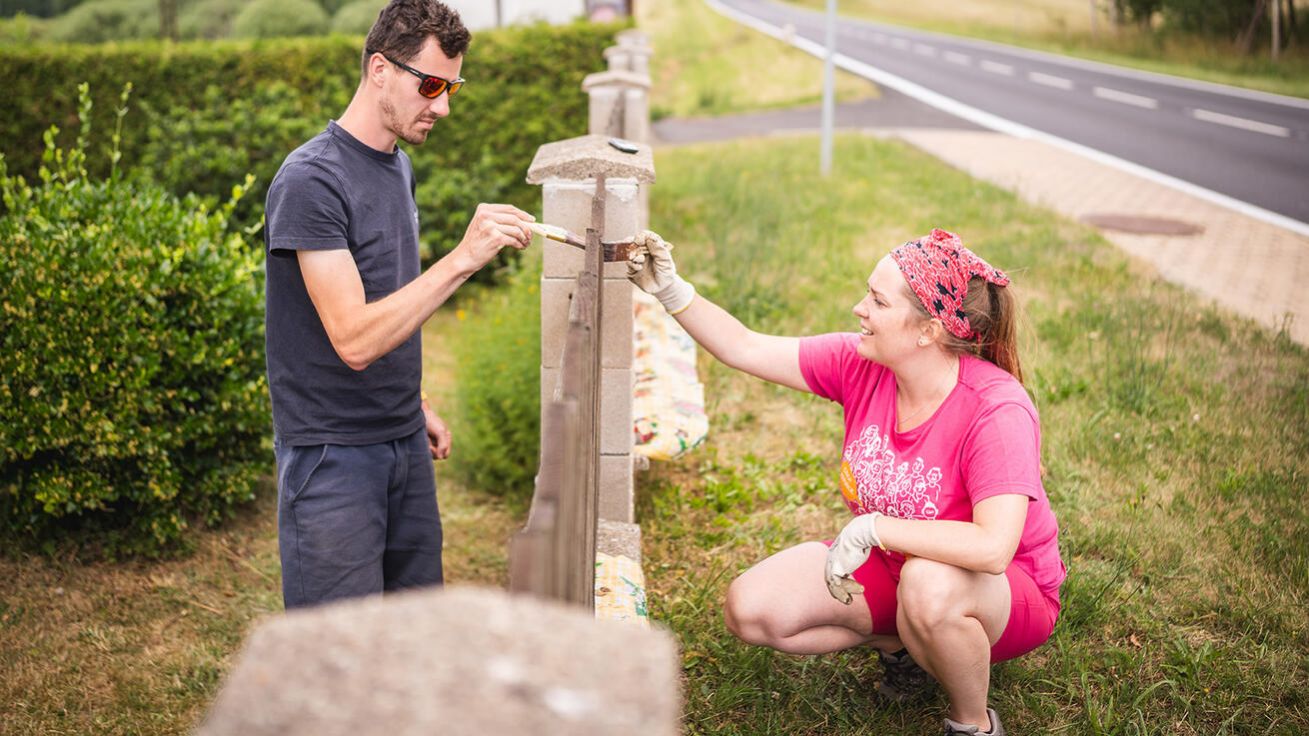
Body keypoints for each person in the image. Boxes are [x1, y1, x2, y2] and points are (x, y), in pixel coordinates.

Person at [626, 227, 1065, 735]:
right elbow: (743, 347)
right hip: (898, 564)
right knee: (752, 610)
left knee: (928, 584)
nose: (859, 308)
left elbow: (993, 548)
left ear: (929, 330)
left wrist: (872, 528)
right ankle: (904, 644)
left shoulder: (996, 409)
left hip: (1002, 591)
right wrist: (670, 289)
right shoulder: (862, 364)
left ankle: (973, 725)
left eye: (877, 301)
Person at [262, 0, 535, 610]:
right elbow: (354, 339)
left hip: (402, 443)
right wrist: (463, 258)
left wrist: (413, 404)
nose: (443, 106)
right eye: (431, 85)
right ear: (380, 69)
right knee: (341, 653)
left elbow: (386, 297)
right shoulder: (310, 180)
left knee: (413, 638)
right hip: (331, 454)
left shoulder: (397, 167)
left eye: (451, 86)